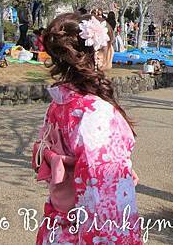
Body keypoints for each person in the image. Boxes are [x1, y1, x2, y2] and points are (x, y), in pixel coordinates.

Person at [35, 13, 141, 244]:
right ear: (99, 55)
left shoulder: (59, 103)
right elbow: (103, 193)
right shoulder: (96, 112)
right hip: (89, 231)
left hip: (61, 228)